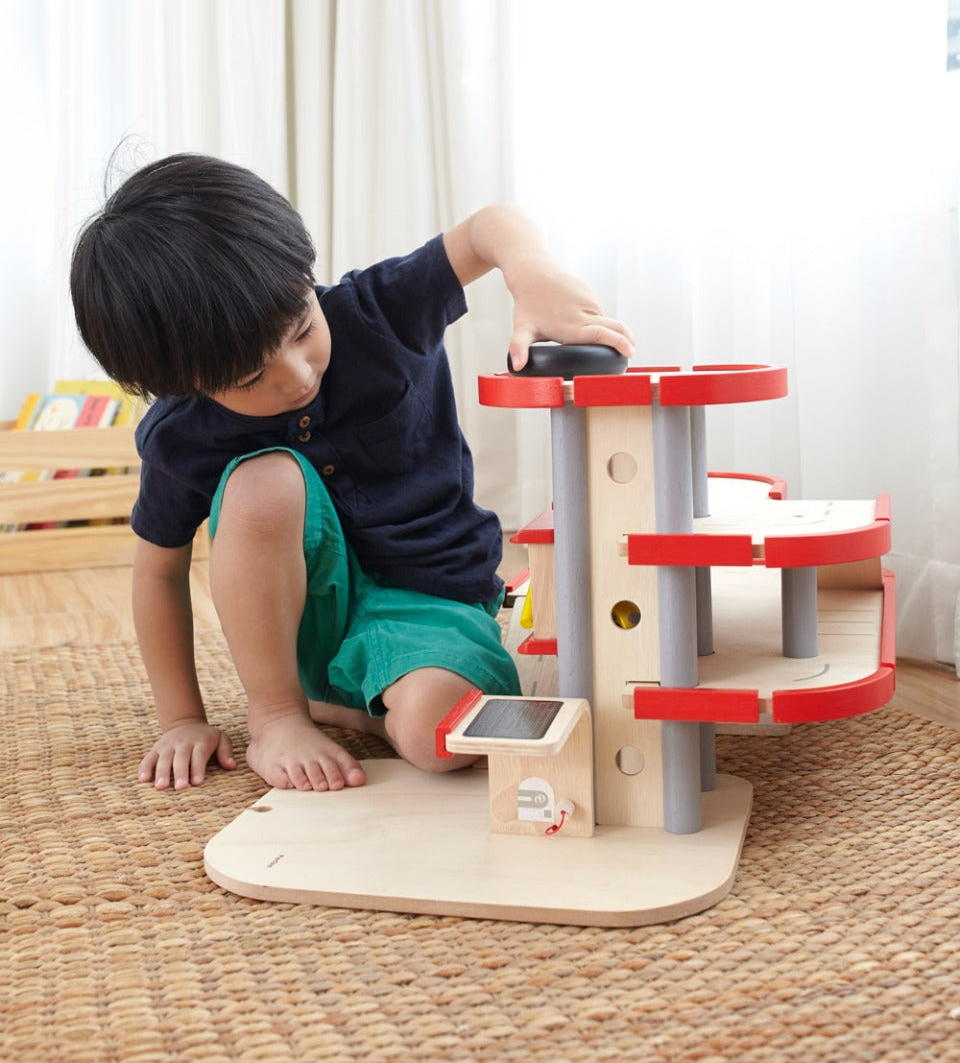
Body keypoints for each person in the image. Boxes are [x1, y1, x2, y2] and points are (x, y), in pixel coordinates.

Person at [70, 153, 634, 794]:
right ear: (185, 385)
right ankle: (279, 711)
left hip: (434, 602)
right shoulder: (182, 433)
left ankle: (346, 707)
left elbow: (489, 227)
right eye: (250, 379)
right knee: (263, 483)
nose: (297, 375)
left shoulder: (379, 310)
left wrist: (532, 273)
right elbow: (159, 571)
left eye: (302, 329)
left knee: (440, 737)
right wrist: (181, 720)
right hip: (299, 632)